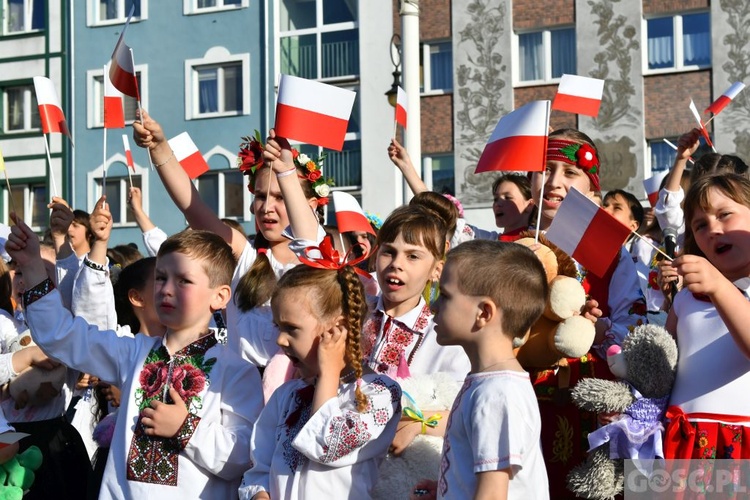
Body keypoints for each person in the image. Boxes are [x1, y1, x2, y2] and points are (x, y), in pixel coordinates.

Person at [6, 221, 264, 499]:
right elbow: (62, 336)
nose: (166, 289)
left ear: (220, 296)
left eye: (184, 281)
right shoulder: (134, 353)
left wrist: (186, 428)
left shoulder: (237, 372)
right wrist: (32, 265)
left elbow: (244, 456)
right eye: (161, 278)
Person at [133, 112, 323, 370]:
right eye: (260, 195)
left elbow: (309, 239)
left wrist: (287, 171)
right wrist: (159, 148)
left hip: (298, 395)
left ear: (311, 205)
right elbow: (193, 208)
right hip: (240, 396)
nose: (266, 207)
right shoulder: (247, 257)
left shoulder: (320, 261)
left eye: (281, 198)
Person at [528, 129, 646, 497]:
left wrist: (602, 330)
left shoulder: (610, 251)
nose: (553, 182)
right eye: (545, 169)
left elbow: (635, 326)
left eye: (569, 172)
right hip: (523, 401)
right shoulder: (510, 247)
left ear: (591, 189)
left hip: (591, 403)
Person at [238, 260, 401, 499]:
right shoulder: (287, 395)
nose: (280, 340)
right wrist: (259, 493)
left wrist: (329, 373)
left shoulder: (379, 394)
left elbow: (326, 444)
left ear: (337, 330)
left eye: (291, 329)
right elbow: (260, 465)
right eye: (278, 327)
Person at [411, 240, 549, 499]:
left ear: (484, 313)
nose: (433, 306)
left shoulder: (497, 393)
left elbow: (493, 495)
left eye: (445, 295)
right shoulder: (490, 384)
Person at [662, 173, 750, 467]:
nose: (713, 229)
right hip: (680, 441)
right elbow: (661, 366)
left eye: (725, 214)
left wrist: (718, 286)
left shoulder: (720, 287)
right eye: (700, 225)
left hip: (738, 446)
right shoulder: (685, 299)